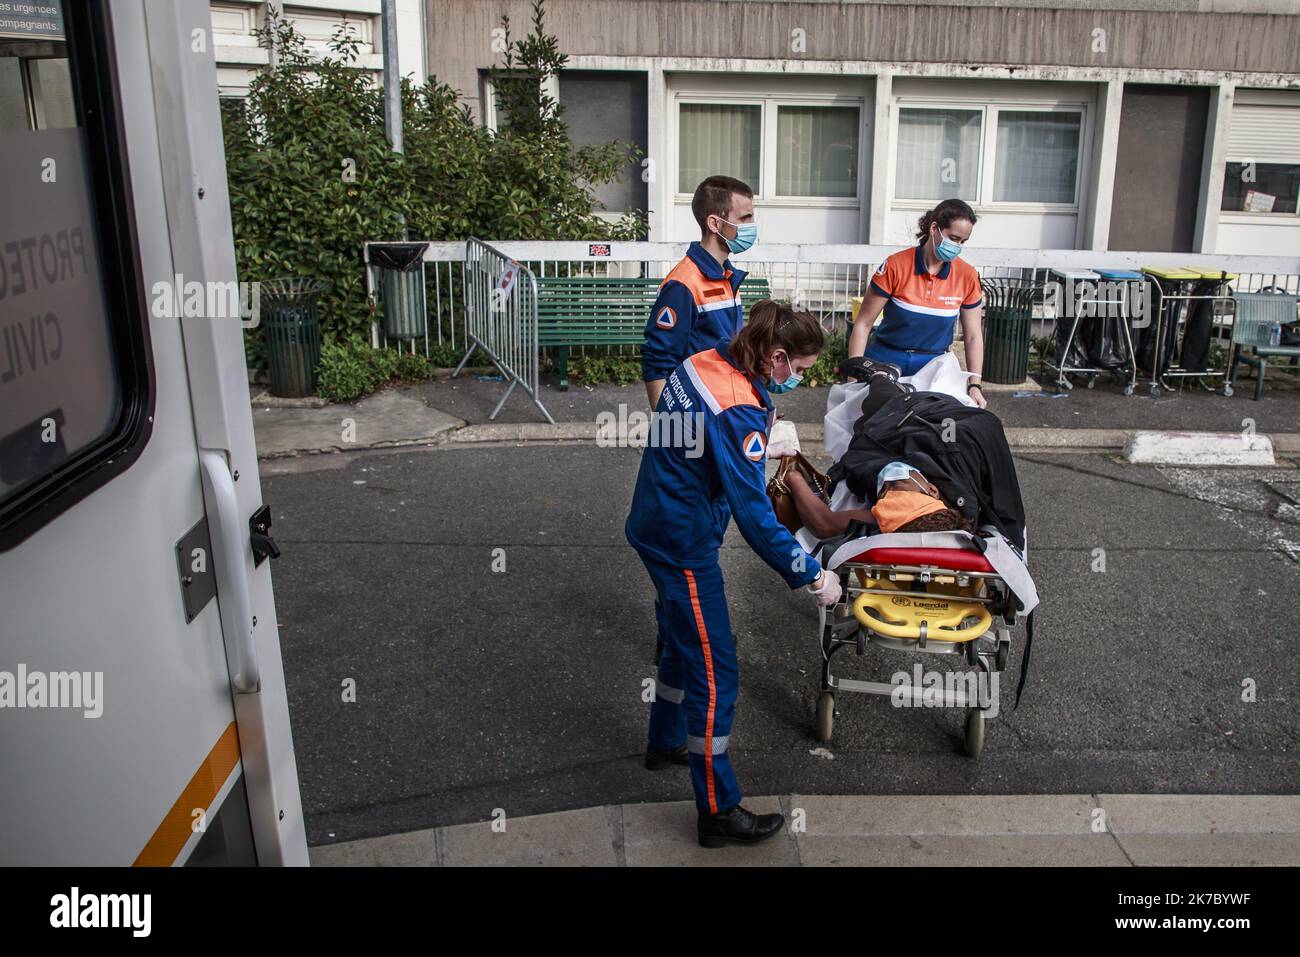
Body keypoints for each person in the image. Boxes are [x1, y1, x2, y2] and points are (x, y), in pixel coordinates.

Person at [625, 301, 842, 849]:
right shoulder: (738, 410)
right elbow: (755, 516)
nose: (801, 378)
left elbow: (704, 434)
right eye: (801, 369)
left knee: (681, 642)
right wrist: (812, 575)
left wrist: (762, 431)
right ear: (775, 356)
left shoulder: (702, 361)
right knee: (717, 671)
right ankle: (718, 812)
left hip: (654, 522)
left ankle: (666, 741)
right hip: (684, 545)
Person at [846, 198, 988, 409]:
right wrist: (853, 376)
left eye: (963, 242)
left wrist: (975, 385)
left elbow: (974, 336)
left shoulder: (967, 276)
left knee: (934, 432)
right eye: (954, 238)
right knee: (870, 427)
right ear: (934, 228)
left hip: (934, 366)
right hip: (885, 360)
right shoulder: (895, 265)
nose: (957, 247)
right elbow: (863, 324)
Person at [641, 175, 757, 411]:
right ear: (714, 224)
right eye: (745, 218)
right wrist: (669, 426)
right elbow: (657, 359)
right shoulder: (683, 284)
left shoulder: (726, 275)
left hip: (722, 405)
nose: (752, 225)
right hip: (698, 411)